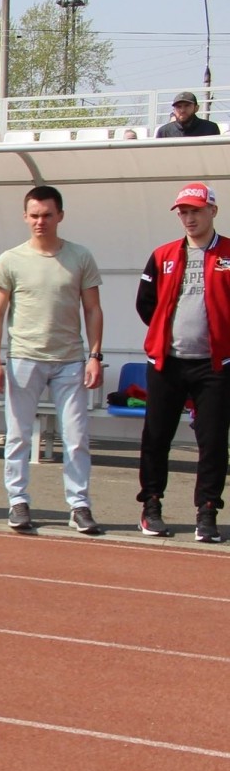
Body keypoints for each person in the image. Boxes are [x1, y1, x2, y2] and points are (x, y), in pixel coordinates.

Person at [0, 185, 105, 534]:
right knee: (19, 436)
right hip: (24, 358)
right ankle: (18, 501)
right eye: (34, 215)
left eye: (47, 215)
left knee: (76, 437)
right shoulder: (10, 259)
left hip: (70, 360)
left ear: (60, 216)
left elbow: (93, 309)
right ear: (25, 217)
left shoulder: (80, 257)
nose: (40, 221)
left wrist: (95, 356)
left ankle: (79, 505)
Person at [133, 184, 229, 542]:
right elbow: (146, 304)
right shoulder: (163, 255)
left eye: (195, 211)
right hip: (166, 364)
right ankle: (151, 506)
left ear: (212, 212)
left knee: (214, 441)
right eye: (183, 212)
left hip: (215, 367)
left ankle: (207, 512)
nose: (189, 218)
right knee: (156, 437)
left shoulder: (229, 254)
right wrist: (163, 334)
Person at [156, 91, 221, 139]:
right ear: (174, 110)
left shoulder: (210, 129)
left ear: (196, 108)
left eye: (187, 106)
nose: (182, 110)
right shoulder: (164, 132)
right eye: (178, 107)